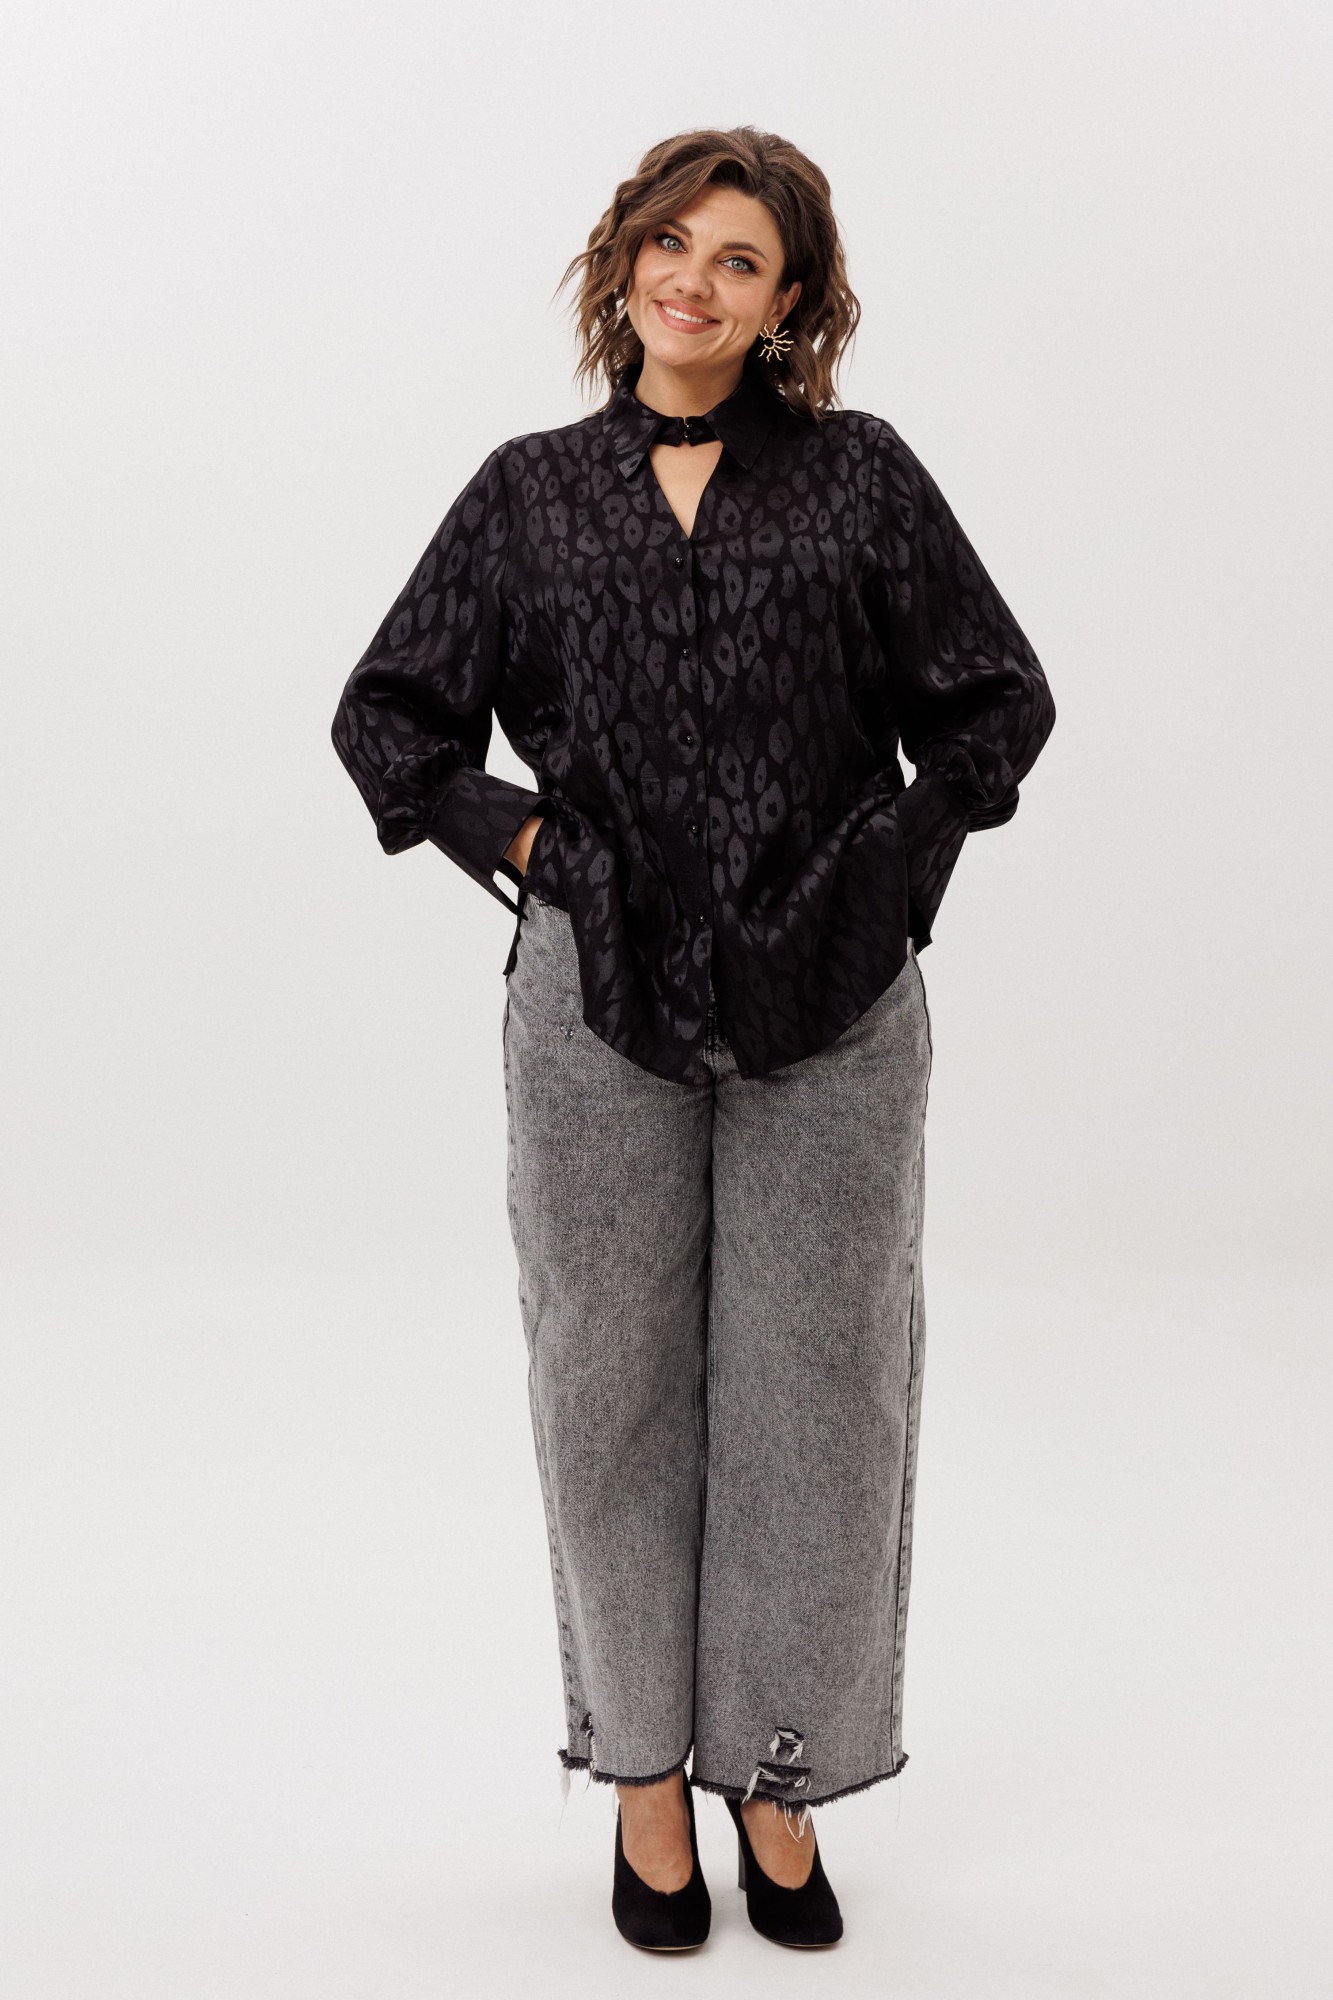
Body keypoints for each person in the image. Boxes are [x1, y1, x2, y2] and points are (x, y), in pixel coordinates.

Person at [330, 124, 1056, 1954]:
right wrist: (538, 855)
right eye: (671, 244)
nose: (695, 281)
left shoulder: (860, 479)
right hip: (596, 1008)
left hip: (834, 1009)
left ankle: (778, 1775)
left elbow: (996, 700)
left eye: (740, 259)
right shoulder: (527, 495)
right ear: (622, 263)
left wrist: (891, 871)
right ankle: (645, 1775)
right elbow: (389, 718)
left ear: (789, 300)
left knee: (821, 1396)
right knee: (608, 1390)